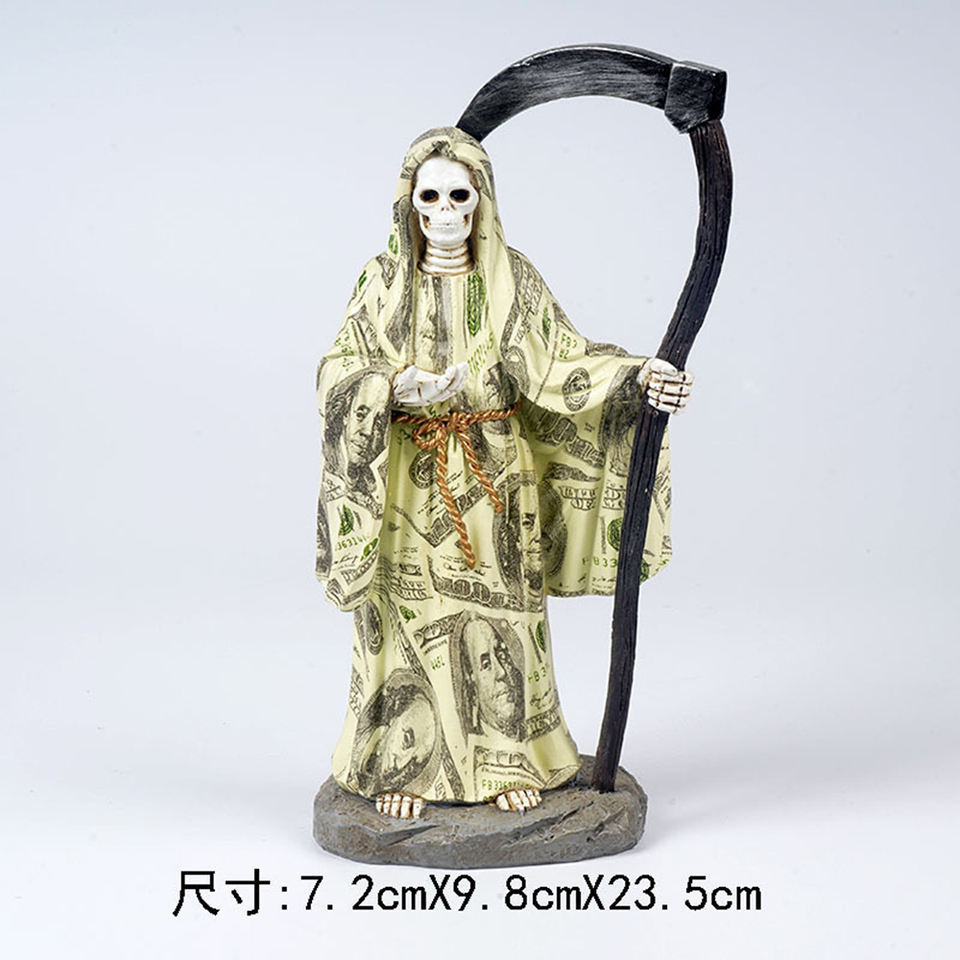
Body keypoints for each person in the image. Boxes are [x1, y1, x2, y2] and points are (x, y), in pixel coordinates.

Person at [316, 127, 688, 815]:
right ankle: (400, 767)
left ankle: (511, 761)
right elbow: (338, 371)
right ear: (409, 204)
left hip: (496, 474)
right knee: (403, 616)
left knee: (504, 621)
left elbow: (561, 360)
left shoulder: (512, 276)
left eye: (459, 196)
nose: (445, 213)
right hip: (410, 477)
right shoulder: (382, 281)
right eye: (430, 198)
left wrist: (640, 376)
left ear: (481, 200)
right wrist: (391, 386)